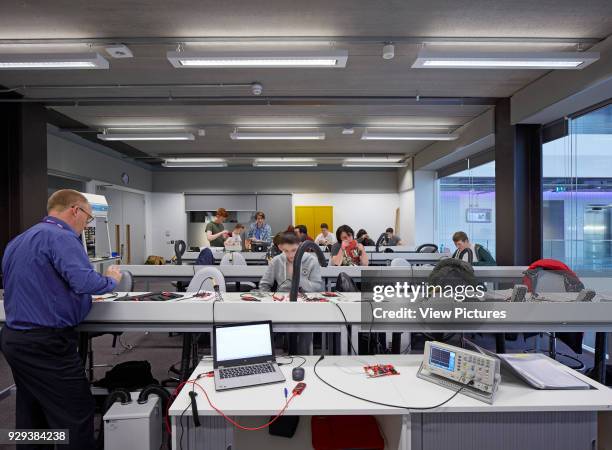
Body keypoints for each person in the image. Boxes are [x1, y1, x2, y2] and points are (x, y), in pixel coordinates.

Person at [0, 189, 122, 450]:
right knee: (76, 412)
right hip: (47, 343)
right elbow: (85, 281)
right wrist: (112, 279)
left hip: (15, 339)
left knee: (32, 412)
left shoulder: (19, 240)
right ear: (75, 210)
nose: (86, 225)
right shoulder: (62, 237)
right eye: (88, 219)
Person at [259, 231, 323, 292]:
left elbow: (317, 287)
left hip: (307, 299)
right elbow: (264, 284)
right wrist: (270, 301)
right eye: (286, 250)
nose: (290, 255)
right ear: (281, 248)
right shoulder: (276, 261)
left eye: (294, 250)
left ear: (300, 246)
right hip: (282, 299)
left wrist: (299, 279)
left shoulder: (312, 261)